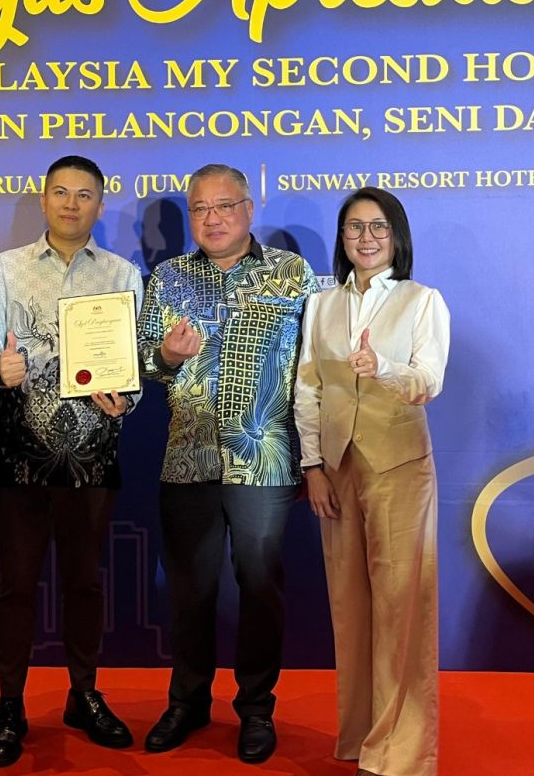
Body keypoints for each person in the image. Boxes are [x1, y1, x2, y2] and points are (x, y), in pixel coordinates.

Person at [137, 163, 319, 763]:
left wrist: (315, 455)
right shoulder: (168, 277)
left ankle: (256, 708)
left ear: (248, 209)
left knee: (260, 588)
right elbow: (142, 365)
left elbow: (316, 366)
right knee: (189, 590)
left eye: (224, 206)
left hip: (264, 460)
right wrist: (167, 356)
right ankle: (188, 702)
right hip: (187, 458)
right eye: (200, 209)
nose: (212, 219)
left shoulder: (291, 274)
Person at [0, 155, 143, 767]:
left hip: (93, 451)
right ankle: (9, 704)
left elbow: (133, 366)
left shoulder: (123, 273)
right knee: (16, 584)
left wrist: (125, 397)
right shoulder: (5, 268)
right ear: (44, 200)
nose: (72, 204)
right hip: (18, 448)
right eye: (61, 193)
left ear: (100, 204)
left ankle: (84, 694)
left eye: (84, 194)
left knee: (84, 581)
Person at [293, 187, 450, 776]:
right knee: (350, 607)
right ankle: (361, 737)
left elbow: (428, 381)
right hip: (338, 467)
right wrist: (313, 466)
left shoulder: (422, 300)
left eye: (378, 226)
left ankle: (400, 754)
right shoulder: (321, 304)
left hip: (399, 466)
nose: (366, 237)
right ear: (342, 238)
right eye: (355, 227)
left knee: (401, 607)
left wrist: (380, 367)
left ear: (396, 236)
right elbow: (308, 388)